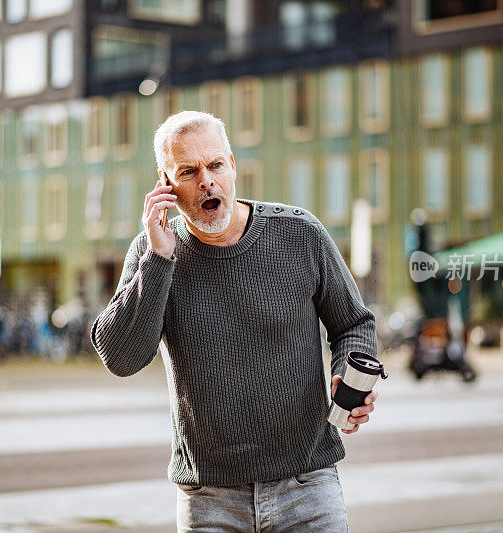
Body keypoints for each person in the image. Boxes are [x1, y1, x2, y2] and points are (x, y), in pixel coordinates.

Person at [91, 111, 378, 532]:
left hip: (307, 487)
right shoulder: (153, 251)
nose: (206, 181)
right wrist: (158, 260)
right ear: (165, 184)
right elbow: (121, 358)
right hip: (209, 500)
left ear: (232, 164)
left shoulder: (300, 234)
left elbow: (354, 324)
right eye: (188, 171)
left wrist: (348, 374)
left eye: (215, 165)